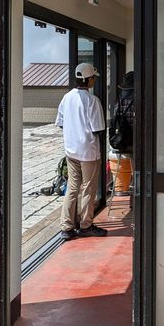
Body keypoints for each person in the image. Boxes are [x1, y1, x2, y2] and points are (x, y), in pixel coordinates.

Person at [56, 62, 107, 240]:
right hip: (88, 152)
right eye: (93, 77)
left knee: (72, 187)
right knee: (88, 188)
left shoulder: (66, 98)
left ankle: (66, 227)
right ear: (88, 79)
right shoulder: (92, 101)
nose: (94, 80)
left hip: (71, 151)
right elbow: (98, 129)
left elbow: (61, 123)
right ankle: (86, 225)